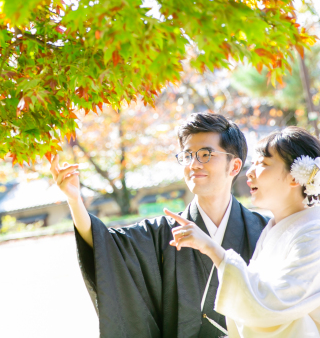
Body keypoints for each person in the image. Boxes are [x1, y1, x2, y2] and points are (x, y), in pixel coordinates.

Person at [52, 112, 268, 337]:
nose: (193, 164)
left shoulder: (263, 230)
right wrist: (75, 200)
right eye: (187, 155)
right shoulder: (164, 232)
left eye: (205, 154)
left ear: (234, 167)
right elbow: (105, 245)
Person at [166, 126, 320, 337]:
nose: (250, 173)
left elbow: (273, 307)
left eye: (263, 164)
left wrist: (213, 249)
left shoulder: (317, 235)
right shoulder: (279, 230)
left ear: (296, 177)